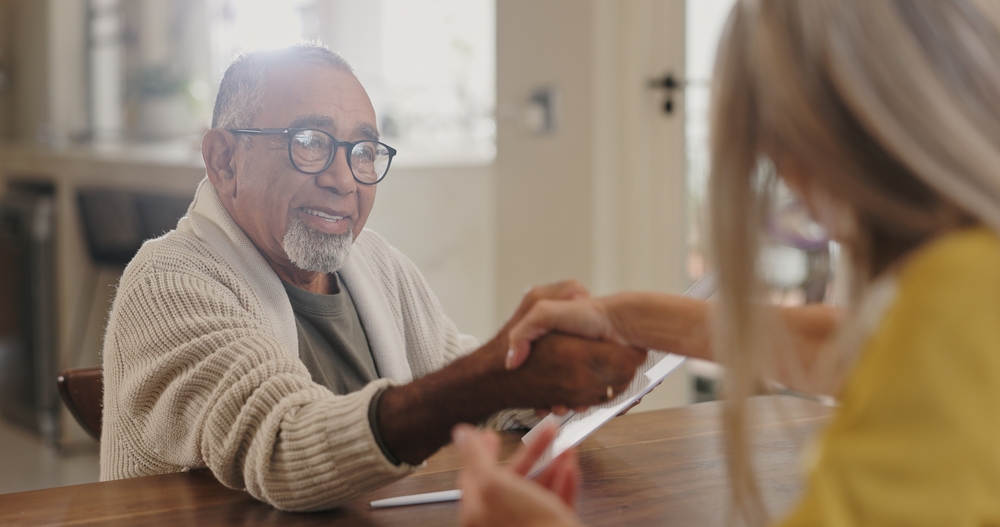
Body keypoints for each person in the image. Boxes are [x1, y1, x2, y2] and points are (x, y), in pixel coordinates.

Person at [455, 0, 1000, 525]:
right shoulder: (966, 278)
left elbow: (902, 353)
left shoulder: (946, 312)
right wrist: (625, 318)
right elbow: (860, 349)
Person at [99, 43, 648, 512]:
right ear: (224, 159)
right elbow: (283, 446)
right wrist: (494, 376)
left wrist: (555, 375)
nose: (343, 179)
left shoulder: (376, 266)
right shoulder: (167, 283)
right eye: (309, 143)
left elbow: (461, 384)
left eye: (363, 152)